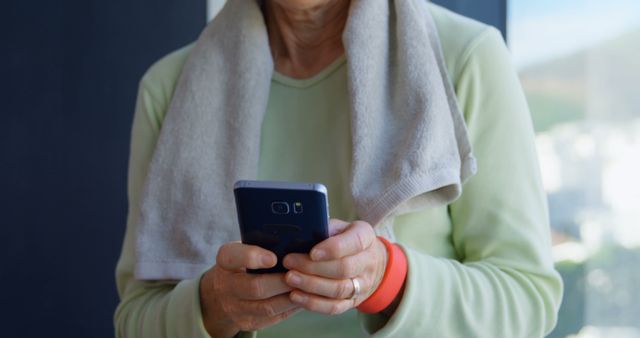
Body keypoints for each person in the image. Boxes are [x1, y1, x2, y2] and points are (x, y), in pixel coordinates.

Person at [114, 0, 563, 337]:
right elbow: (135, 320)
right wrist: (212, 304)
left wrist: (388, 280)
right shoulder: (170, 88)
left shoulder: (466, 58)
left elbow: (527, 299)